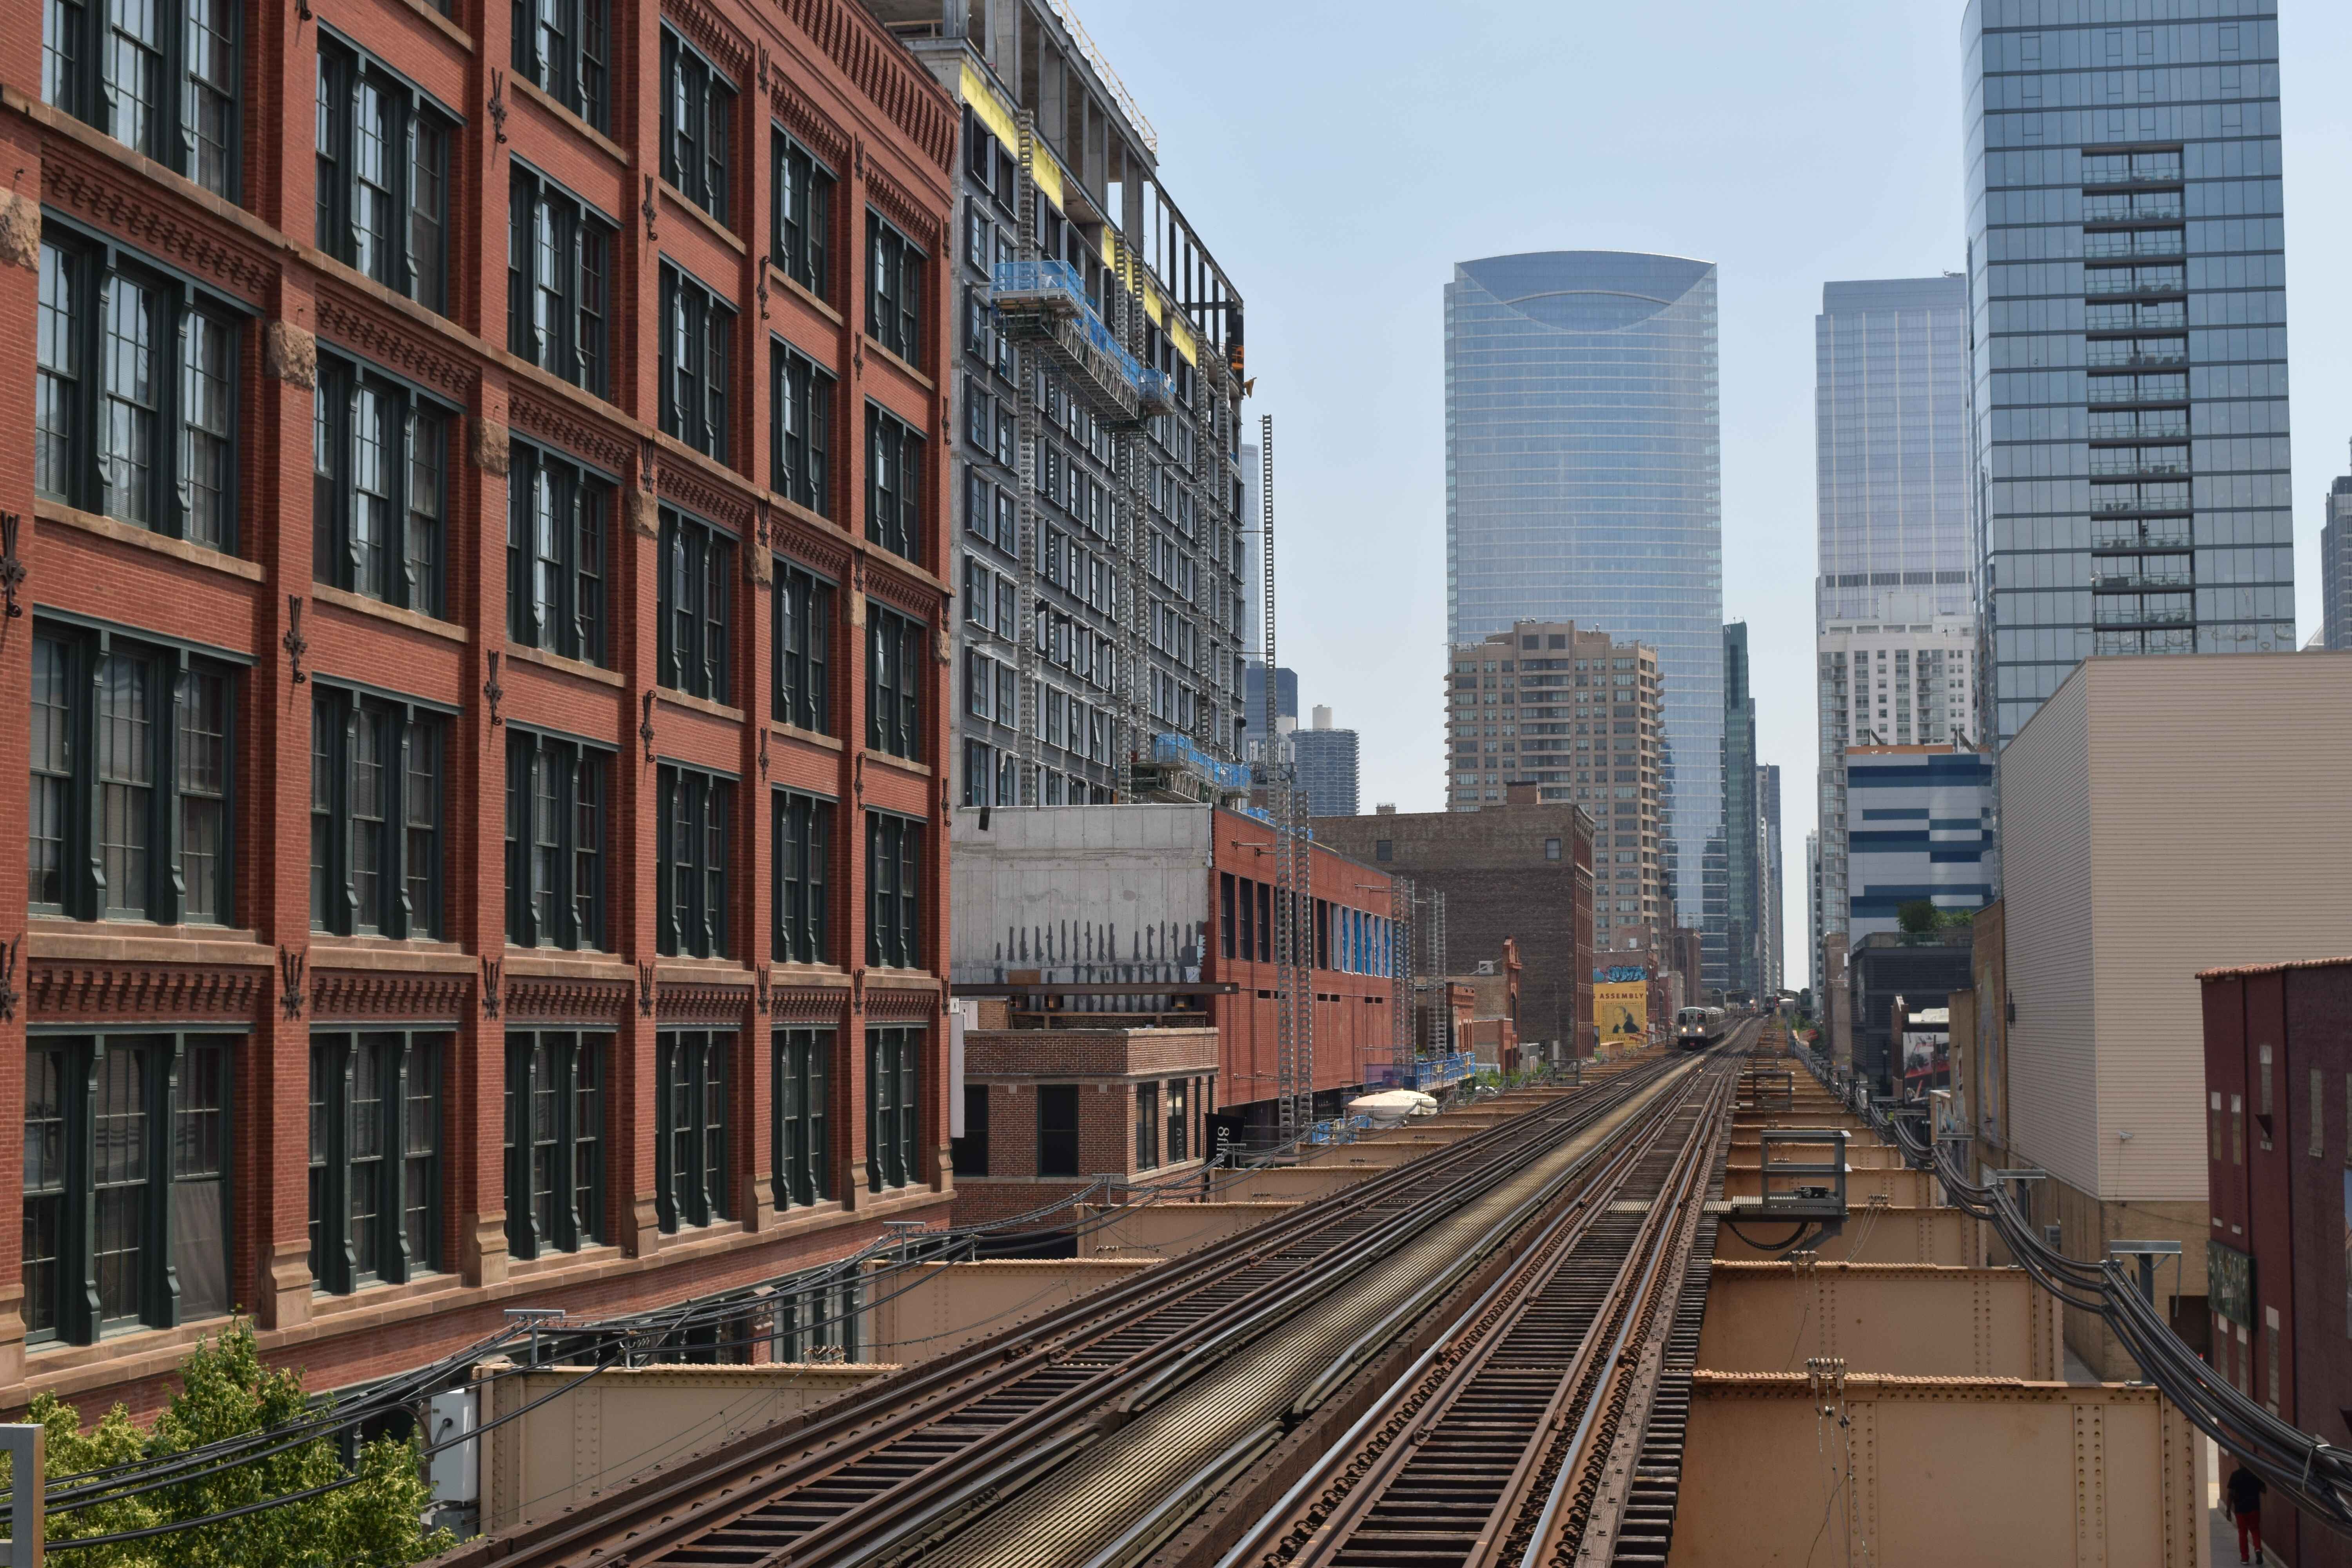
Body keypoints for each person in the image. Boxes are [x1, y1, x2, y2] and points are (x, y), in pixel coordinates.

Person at [2227, 1461, 2267, 1564]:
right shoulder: (2256, 1474)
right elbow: (2264, 1490)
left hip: (2241, 1510)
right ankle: (2258, 1549)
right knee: (2255, 1530)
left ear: (2240, 1464)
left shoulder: (2235, 1475)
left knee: (2243, 1533)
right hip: (2254, 1509)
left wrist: (2228, 1510)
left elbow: (2231, 1494)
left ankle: (2245, 1558)